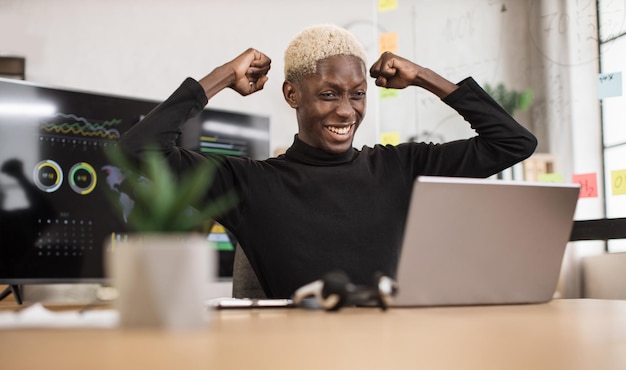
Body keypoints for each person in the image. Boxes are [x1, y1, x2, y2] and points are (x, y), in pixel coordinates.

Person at [120, 24, 537, 299]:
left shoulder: (400, 168)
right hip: (295, 367)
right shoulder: (250, 183)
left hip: (388, 360)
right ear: (291, 95)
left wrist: (424, 76)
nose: (347, 111)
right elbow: (138, 149)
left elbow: (512, 142)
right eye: (328, 94)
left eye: (358, 94)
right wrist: (224, 76)